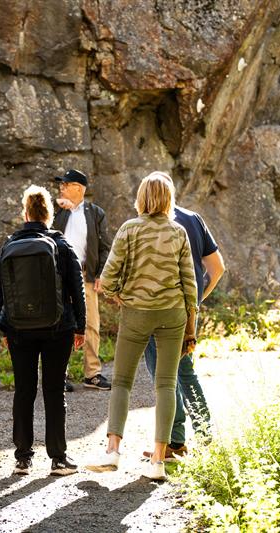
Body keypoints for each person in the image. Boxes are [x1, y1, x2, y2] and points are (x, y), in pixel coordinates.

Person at [87, 172, 198, 481]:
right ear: (169, 199)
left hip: (137, 312)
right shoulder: (178, 232)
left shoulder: (129, 229)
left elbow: (107, 279)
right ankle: (159, 461)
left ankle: (112, 452)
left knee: (122, 381)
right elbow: (191, 287)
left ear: (141, 198)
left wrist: (120, 295)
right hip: (173, 313)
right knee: (165, 384)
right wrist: (192, 329)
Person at [0, 185, 86, 476]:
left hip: (19, 329)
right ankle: (58, 458)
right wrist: (80, 327)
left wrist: (5, 328)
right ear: (48, 214)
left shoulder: (10, 243)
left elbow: (0, 292)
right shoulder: (60, 243)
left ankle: (22, 458)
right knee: (54, 390)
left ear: (25, 213)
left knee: (24, 390)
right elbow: (76, 287)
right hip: (58, 328)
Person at [141, 173, 226, 460]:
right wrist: (197, 299)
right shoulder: (194, 219)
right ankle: (205, 435)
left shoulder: (146, 222)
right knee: (185, 372)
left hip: (157, 307)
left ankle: (174, 443)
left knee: (163, 377)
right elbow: (217, 269)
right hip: (187, 310)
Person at [53, 169, 112, 391]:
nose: (62, 188)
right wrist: (56, 208)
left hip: (86, 277)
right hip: (59, 278)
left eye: (65, 185)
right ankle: (60, 374)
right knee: (60, 325)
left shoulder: (96, 213)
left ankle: (92, 375)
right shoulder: (56, 210)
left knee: (91, 325)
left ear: (79, 188)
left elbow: (107, 246)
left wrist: (101, 274)